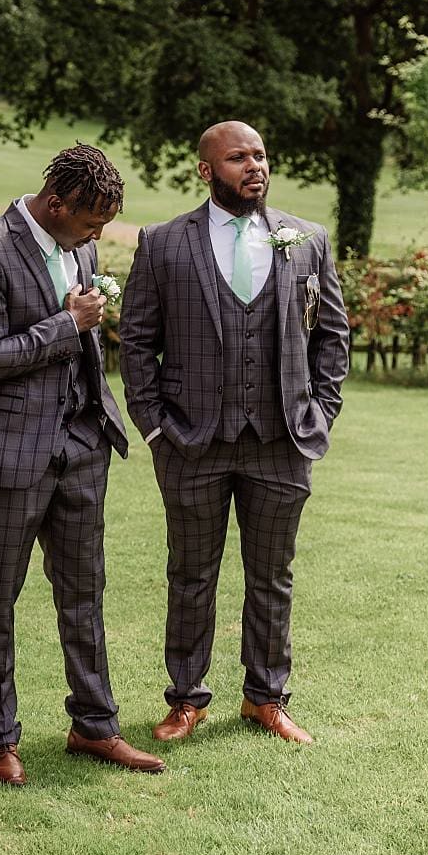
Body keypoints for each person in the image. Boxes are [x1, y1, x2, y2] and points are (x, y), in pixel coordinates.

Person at [118, 119, 347, 749]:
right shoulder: (163, 243)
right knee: (191, 574)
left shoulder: (306, 240)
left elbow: (332, 335)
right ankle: (186, 699)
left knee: (272, 574)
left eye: (261, 156)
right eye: (238, 158)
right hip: (191, 442)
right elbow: (137, 340)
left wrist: (320, 412)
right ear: (206, 170)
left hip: (282, 440)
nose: (255, 167)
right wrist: (154, 425)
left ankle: (266, 698)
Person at [0, 145, 164, 789]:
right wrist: (66, 324)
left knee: (85, 590)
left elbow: (84, 343)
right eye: (93, 221)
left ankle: (94, 725)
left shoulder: (81, 247)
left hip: (80, 450)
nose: (99, 234)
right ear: (58, 204)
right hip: (12, 454)